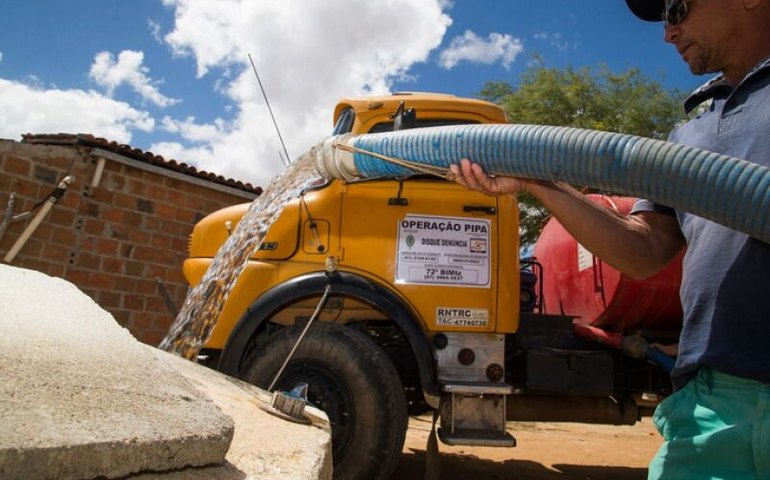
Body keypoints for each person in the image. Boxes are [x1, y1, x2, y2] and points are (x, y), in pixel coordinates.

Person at [450, 0, 770, 478]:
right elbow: (643, 250)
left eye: (678, 9)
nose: (668, 33)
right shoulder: (689, 135)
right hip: (716, 400)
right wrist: (539, 183)